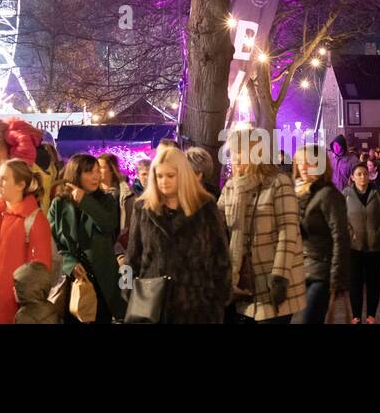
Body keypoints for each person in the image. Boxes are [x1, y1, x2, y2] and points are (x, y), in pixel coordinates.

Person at [124, 144, 230, 323]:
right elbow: (132, 256)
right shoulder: (142, 208)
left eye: (170, 175)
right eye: (159, 176)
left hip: (197, 306)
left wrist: (218, 297)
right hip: (153, 304)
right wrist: (128, 291)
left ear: (183, 175)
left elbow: (220, 256)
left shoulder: (205, 206)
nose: (164, 181)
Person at [219, 128, 306, 323]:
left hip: (271, 282)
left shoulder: (278, 183)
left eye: (241, 150)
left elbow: (288, 232)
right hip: (242, 282)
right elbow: (217, 224)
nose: (236, 156)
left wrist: (279, 277)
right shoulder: (231, 187)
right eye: (234, 151)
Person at [0, 159, 53, 324]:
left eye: (4, 178)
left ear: (20, 185)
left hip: (14, 311)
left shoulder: (35, 220)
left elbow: (39, 275)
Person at [48, 154, 125, 323]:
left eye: (98, 171)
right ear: (76, 174)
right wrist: (69, 263)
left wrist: (85, 201)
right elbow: (52, 241)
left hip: (102, 278)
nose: (96, 176)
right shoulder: (59, 204)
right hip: (73, 279)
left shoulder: (106, 200)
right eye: (89, 172)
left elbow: (108, 225)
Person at [295, 147, 350, 323]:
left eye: (309, 162)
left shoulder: (328, 195)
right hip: (299, 270)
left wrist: (337, 277)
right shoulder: (298, 193)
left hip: (321, 271)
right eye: (300, 162)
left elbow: (340, 237)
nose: (303, 167)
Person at [344, 161, 380, 323]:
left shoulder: (379, 194)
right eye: (358, 174)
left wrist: (379, 232)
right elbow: (340, 217)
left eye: (365, 173)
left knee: (373, 282)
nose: (362, 177)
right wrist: (350, 232)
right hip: (354, 247)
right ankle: (356, 315)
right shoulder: (345, 194)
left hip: (375, 246)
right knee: (355, 282)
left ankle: (371, 315)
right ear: (352, 177)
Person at [97, 153, 133, 235]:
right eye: (96, 168)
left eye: (101, 167)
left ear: (112, 170)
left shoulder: (124, 193)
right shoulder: (93, 192)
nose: (97, 171)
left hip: (117, 239)